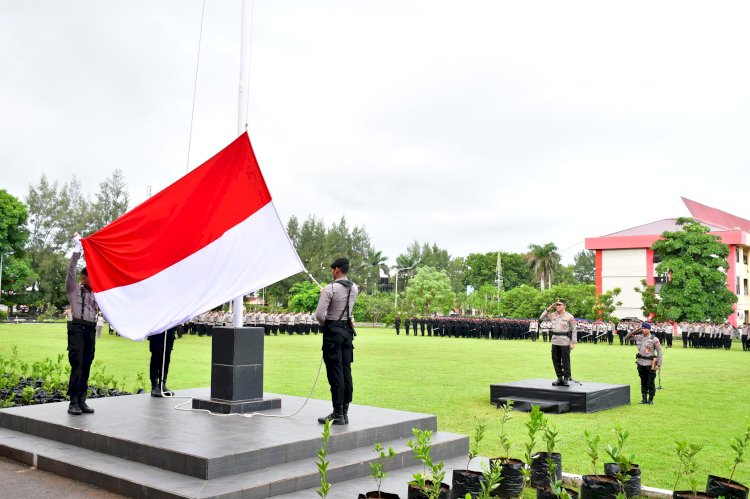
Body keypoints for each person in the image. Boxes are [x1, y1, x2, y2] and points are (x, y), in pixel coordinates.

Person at [315, 257, 359, 425]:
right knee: (346, 371)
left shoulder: (329, 288)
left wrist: (327, 323)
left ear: (337, 270)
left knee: (335, 373)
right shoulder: (354, 288)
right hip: (347, 332)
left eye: (332, 269)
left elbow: (319, 315)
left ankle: (337, 413)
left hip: (333, 332)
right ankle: (345, 412)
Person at [65, 233, 98, 415]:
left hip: (90, 330)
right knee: (77, 364)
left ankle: (83, 400)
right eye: (91, 277)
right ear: (84, 277)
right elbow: (71, 270)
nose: (95, 280)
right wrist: (77, 251)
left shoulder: (97, 294)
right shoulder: (74, 289)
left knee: (87, 364)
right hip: (76, 329)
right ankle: (73, 402)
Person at [623, 322, 663, 405]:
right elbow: (626, 337)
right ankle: (644, 399)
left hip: (650, 364)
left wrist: (658, 364)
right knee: (643, 381)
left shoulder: (654, 339)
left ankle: (650, 399)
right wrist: (635, 330)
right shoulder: (639, 337)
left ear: (649, 329)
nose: (643, 330)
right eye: (642, 328)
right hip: (640, 363)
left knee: (650, 382)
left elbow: (659, 352)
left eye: (645, 328)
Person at [539, 299, 576, 386]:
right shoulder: (552, 315)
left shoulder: (569, 316)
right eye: (556, 305)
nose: (557, 306)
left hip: (565, 341)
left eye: (559, 305)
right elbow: (541, 318)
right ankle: (559, 377)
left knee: (565, 360)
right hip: (555, 340)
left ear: (564, 306)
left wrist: (573, 342)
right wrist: (548, 309)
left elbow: (574, 329)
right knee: (555, 360)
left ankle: (567, 378)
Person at [149, 327, 176, 397]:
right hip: (157, 329)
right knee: (156, 355)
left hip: (170, 329)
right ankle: (154, 385)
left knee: (166, 357)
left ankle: (162, 384)